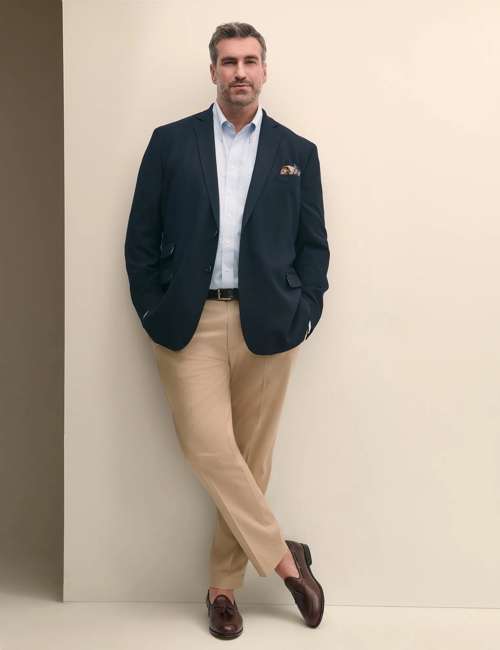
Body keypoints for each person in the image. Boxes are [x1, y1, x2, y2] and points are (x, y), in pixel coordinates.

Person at [124, 21, 329, 639]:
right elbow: (140, 238)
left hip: (271, 323)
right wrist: (152, 308)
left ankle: (222, 588)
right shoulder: (170, 142)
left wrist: (306, 311)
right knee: (208, 447)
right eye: (229, 61)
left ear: (264, 70)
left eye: (250, 60)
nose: (240, 71)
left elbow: (313, 246)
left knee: (252, 461)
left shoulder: (297, 152)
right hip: (191, 322)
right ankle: (287, 560)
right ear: (212, 71)